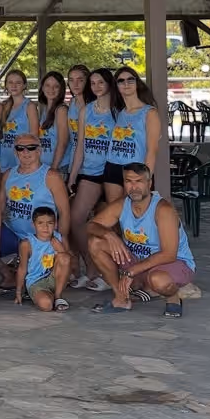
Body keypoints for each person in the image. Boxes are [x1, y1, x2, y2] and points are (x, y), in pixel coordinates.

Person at [88, 162, 196, 318]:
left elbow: (169, 254)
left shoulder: (163, 209)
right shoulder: (122, 204)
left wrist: (131, 272)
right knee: (95, 243)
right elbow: (91, 226)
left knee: (158, 280)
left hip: (174, 263)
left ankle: (173, 297)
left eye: (139, 181)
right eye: (128, 181)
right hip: (138, 261)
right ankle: (121, 298)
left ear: (149, 183)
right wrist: (108, 234)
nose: (134, 187)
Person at [0, 133, 71, 289]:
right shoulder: (8, 175)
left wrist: (59, 242)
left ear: (39, 151)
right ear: (15, 152)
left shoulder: (51, 176)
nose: (26, 152)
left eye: (31, 148)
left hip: (41, 238)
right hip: (14, 235)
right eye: (20, 148)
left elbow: (64, 212)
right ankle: (8, 274)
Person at [67, 67, 115, 292]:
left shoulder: (117, 110)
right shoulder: (86, 110)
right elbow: (80, 146)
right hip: (90, 171)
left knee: (113, 223)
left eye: (100, 82)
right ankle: (92, 267)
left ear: (109, 83)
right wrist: (73, 176)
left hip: (113, 171)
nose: (96, 87)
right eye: (93, 83)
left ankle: (112, 273)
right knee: (75, 219)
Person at [104, 66, 161, 206]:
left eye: (130, 79)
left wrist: (146, 178)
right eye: (121, 81)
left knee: (134, 210)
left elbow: (152, 150)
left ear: (137, 83)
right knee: (114, 211)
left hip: (136, 168)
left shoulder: (149, 112)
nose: (126, 83)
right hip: (113, 166)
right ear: (116, 86)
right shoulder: (119, 112)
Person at [16, 206, 71, 312]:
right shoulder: (27, 244)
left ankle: (58, 297)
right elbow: (22, 268)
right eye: (40, 223)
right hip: (36, 282)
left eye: (49, 223)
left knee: (64, 257)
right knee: (46, 305)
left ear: (55, 225)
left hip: (55, 279)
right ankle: (47, 297)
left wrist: (60, 249)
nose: (45, 227)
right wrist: (18, 291)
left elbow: (70, 263)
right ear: (33, 225)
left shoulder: (60, 238)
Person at [0, 70, 39, 173]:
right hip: (5, 155)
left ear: (24, 85)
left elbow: (34, 137)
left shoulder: (29, 106)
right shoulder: (4, 106)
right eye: (10, 82)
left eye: (18, 82)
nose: (14, 85)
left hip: (22, 156)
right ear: (6, 85)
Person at [61, 65, 90, 183]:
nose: (75, 84)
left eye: (80, 80)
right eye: (71, 80)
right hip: (74, 160)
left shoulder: (93, 105)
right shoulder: (72, 102)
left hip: (91, 162)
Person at [37, 71, 70, 172]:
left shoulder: (61, 110)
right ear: (42, 88)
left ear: (61, 89)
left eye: (56, 86)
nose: (51, 89)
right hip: (44, 166)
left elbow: (63, 142)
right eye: (47, 85)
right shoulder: (45, 109)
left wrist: (54, 168)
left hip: (58, 167)